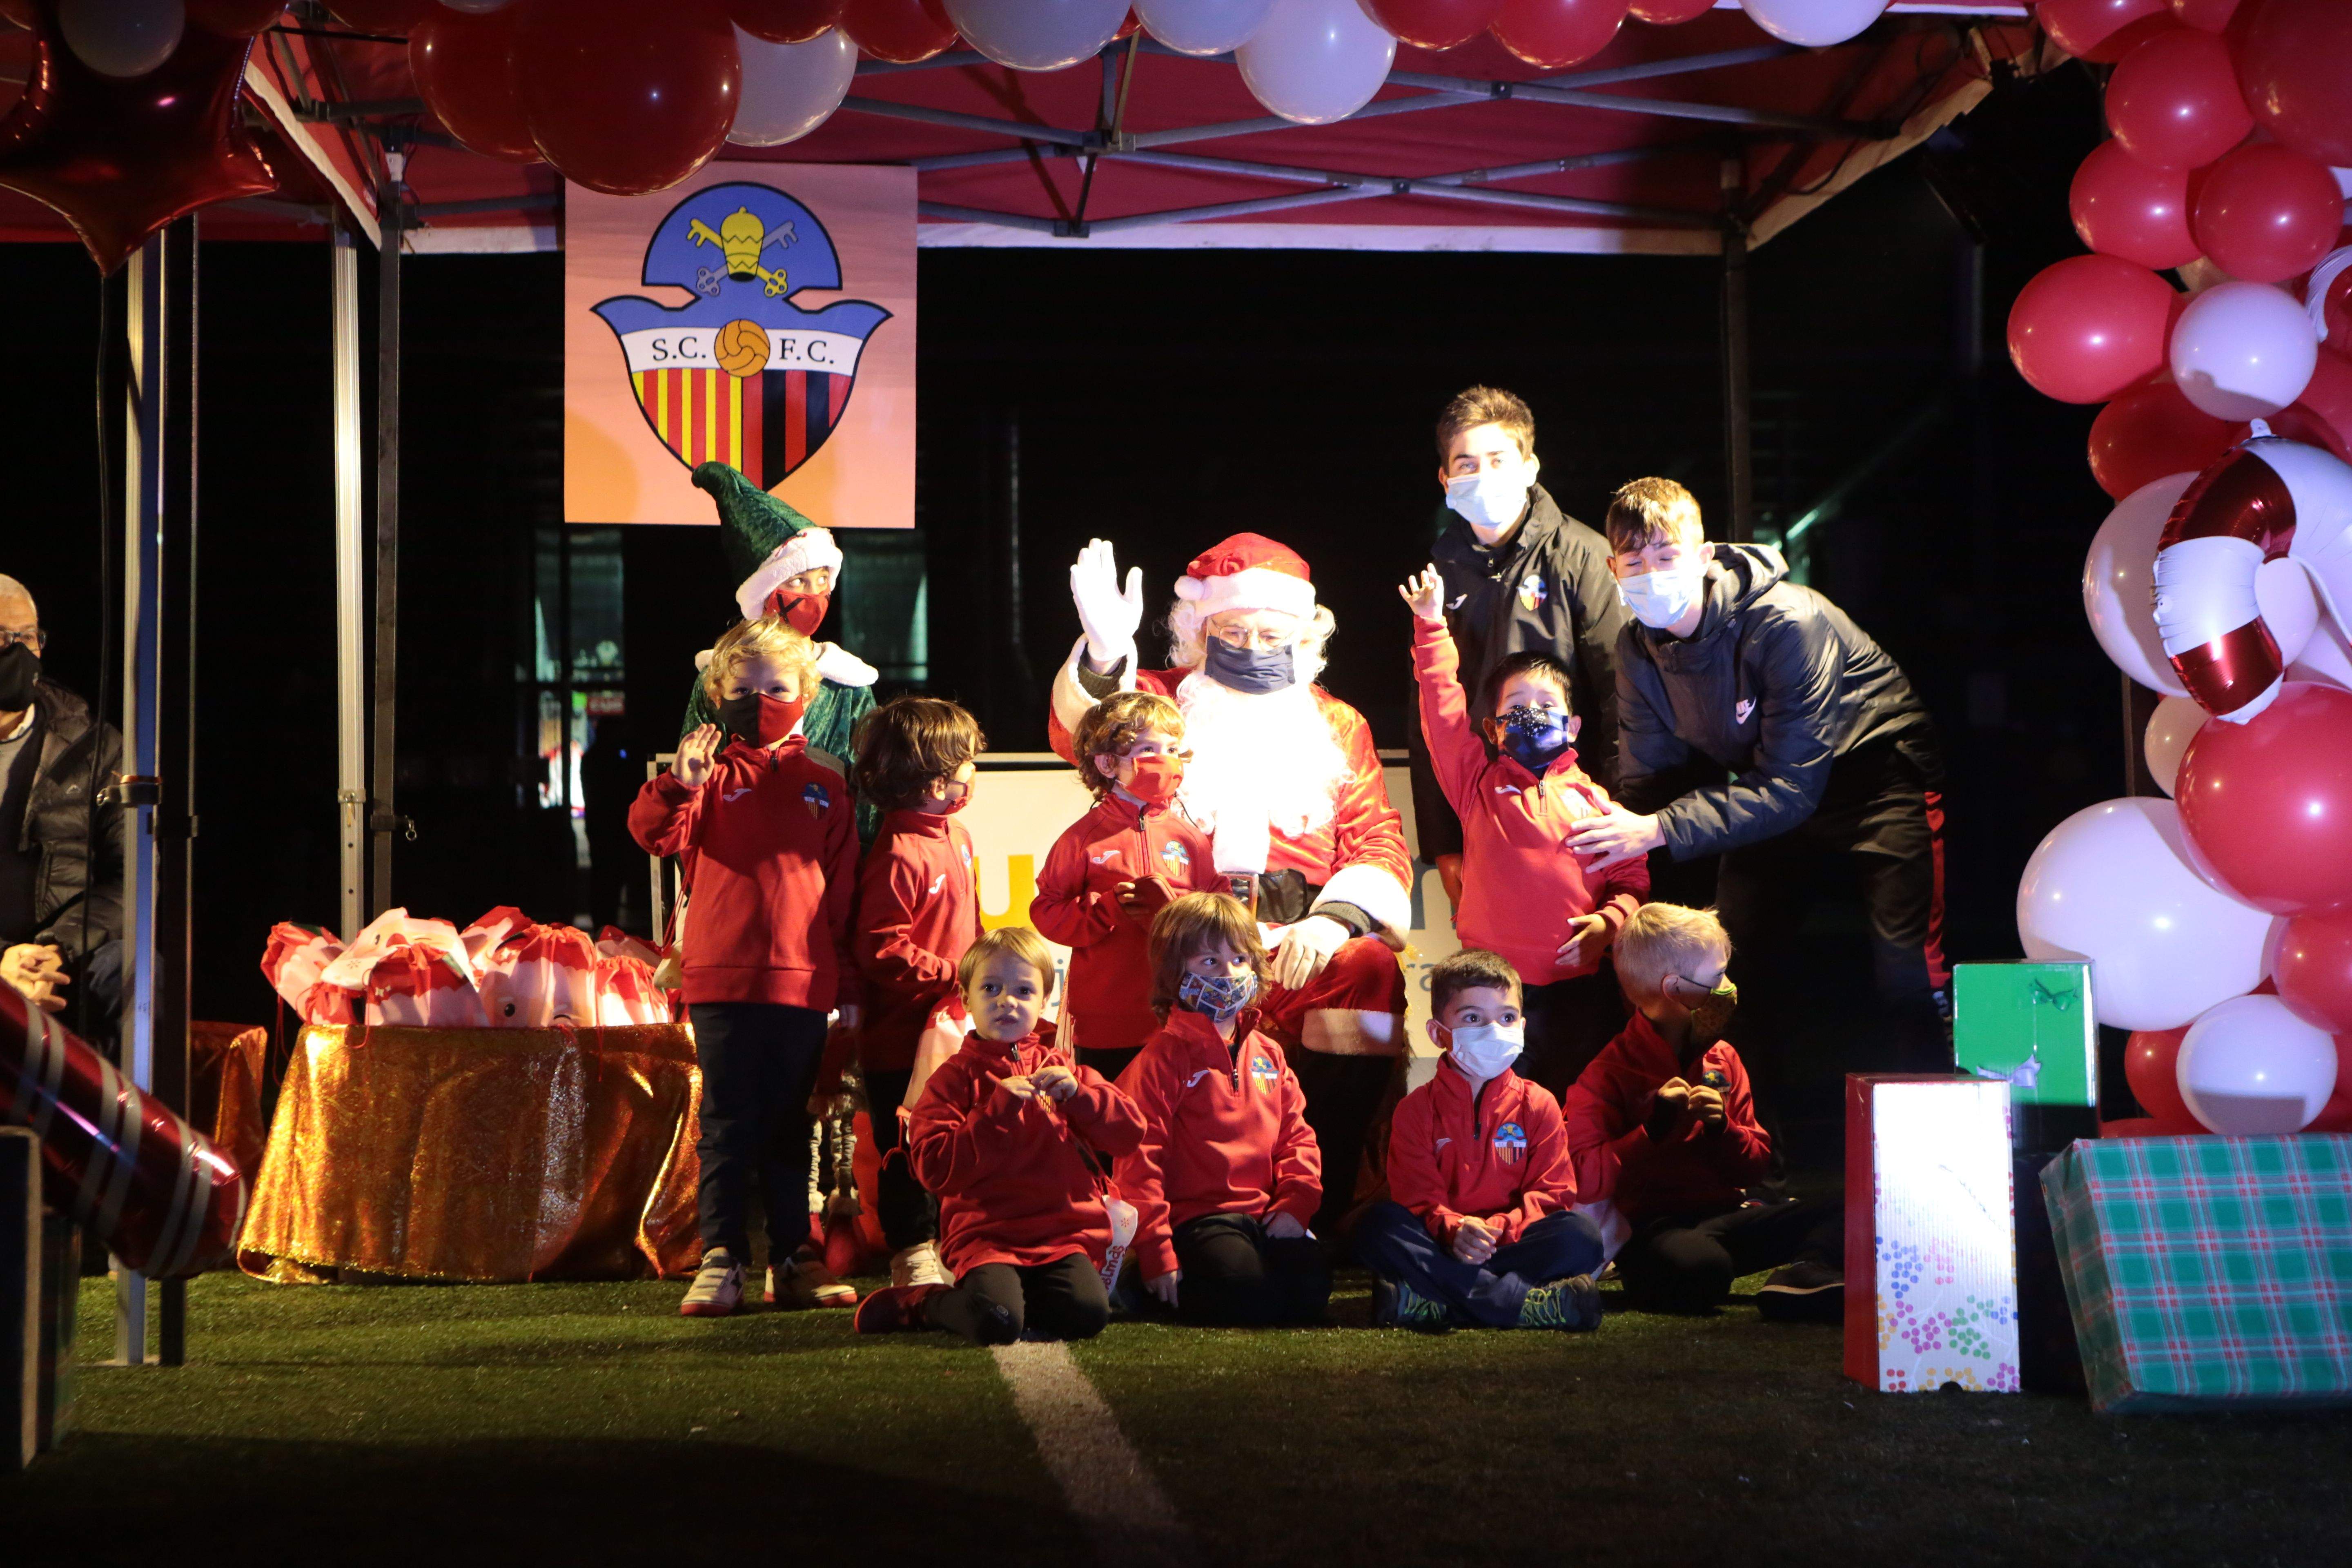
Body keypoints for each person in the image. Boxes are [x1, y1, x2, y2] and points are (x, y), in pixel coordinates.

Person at [1053, 532, 1410, 1240]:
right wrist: (1101, 659)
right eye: (1234, 631)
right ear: (1198, 630)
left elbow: (1377, 839)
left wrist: (1333, 921)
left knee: (1370, 979)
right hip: (1189, 928)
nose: (1252, 646)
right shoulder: (1158, 701)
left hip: (1298, 938)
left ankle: (1323, 1206)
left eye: (1271, 632)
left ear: (1303, 636)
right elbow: (1081, 737)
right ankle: (1162, 1206)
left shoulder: (1338, 723)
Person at [1565, 477, 1949, 1087]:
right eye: (1634, 562)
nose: (1651, 574)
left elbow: (1792, 787)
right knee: (1722, 966)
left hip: (1874, 777)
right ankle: (1752, 1155)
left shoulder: (1786, 622)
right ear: (1613, 567)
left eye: (1666, 557)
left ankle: (1938, 1143)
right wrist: (1608, 866)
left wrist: (1658, 828)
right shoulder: (1637, 647)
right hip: (1765, 790)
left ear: (1703, 556)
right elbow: (1646, 784)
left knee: (1906, 970)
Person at [628, 614, 862, 1319]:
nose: (762, 699)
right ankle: (722, 1258)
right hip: (721, 979)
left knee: (792, 1125)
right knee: (728, 1126)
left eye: (779, 686)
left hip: (801, 981)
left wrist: (846, 984)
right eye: (745, 687)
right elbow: (655, 835)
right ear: (717, 691)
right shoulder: (704, 773)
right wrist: (678, 783)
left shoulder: (828, 779)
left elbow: (844, 892)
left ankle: (792, 1260)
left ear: (810, 694)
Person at [1399, 562, 1647, 1094]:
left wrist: (1609, 923)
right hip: (1489, 990)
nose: (1531, 716)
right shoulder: (1478, 786)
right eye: (1516, 709)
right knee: (1491, 1106)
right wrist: (1430, 628)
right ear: (1492, 728)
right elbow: (1443, 717)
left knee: (1579, 1104)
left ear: (1574, 725)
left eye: (1546, 707)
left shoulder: (1598, 804)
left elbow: (1632, 881)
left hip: (1577, 990)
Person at [856, 927, 1145, 1344]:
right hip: (986, 1238)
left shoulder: (1061, 1068)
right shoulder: (950, 1080)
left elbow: (1129, 1135)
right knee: (996, 1321)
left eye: (1024, 991)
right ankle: (921, 1302)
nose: (1006, 1001)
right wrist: (996, 1114)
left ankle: (1016, 1295)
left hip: (1061, 1237)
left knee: (1088, 1315)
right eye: (991, 988)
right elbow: (935, 1172)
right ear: (967, 998)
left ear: (1045, 1001)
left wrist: (1083, 1097)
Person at [1560, 903, 1842, 1320]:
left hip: (1726, 1217)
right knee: (1699, 1270)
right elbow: (1582, 1181)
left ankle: (1807, 1271)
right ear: (1676, 989)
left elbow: (1753, 1168)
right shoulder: (1606, 1074)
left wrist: (1722, 1129)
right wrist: (1649, 1133)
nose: (1728, 987)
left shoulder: (1723, 1056)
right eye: (1716, 977)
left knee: (1858, 1206)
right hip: (1655, 1229)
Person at [1412, 387, 1628, 917]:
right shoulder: (1440, 571)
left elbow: (1624, 700)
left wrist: (1620, 821)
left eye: (1497, 460)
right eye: (1466, 463)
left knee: (1584, 975)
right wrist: (1444, 841)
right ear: (1445, 478)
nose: (1481, 474)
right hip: (1483, 821)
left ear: (1530, 466)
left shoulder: (1585, 557)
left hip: (1579, 824)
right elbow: (1433, 710)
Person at [1356, 948, 1604, 1332]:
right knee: (1379, 1226)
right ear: (1439, 1034)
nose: (1494, 1031)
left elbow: (1552, 1194)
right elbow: (1418, 1198)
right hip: (1443, 1242)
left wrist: (1498, 1229)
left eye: (1506, 1018)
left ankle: (1432, 1300)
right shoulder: (1415, 1110)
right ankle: (1523, 1305)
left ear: (1522, 1026)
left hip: (1513, 1241)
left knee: (1580, 1237)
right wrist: (1455, 1229)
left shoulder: (1539, 1103)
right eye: (1473, 1018)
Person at [1116, 893, 1329, 1327]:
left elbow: (1297, 1139)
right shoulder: (1161, 1059)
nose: (1228, 974)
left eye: (1239, 960)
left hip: (1266, 1215)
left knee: (1312, 1292)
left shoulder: (1268, 1052)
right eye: (1209, 962)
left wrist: (1296, 1204)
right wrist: (1157, 1250)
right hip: (1197, 1221)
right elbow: (1139, 1162)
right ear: (1176, 974)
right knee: (1245, 1300)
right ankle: (1138, 1282)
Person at [849, 695, 987, 1292]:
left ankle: (955, 1239)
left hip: (953, 1032)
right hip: (900, 1041)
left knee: (958, 1136)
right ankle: (910, 1250)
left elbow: (971, 930)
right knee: (905, 1145)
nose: (974, 771)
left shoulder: (956, 835)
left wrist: (980, 974)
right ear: (935, 778)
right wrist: (957, 975)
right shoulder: (900, 851)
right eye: (966, 761)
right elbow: (881, 947)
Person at [1029, 690, 1220, 1083]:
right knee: (1107, 1122)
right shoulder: (1083, 839)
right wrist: (1105, 911)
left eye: (1172, 748)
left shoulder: (1191, 837)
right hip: (1106, 1020)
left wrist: (1185, 914)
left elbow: (1218, 906)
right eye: (1148, 748)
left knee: (1173, 1127)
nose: (1165, 759)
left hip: (1183, 1013)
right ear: (1107, 763)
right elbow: (1047, 911)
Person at [678, 461, 879, 784]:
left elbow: (869, 785)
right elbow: (695, 777)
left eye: (823, 578)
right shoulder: (721, 674)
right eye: (798, 581)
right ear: (763, 591)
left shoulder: (849, 685)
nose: (814, 593)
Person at [0, 574, 122, 1040]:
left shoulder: (96, 747)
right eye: (1, 638)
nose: (18, 652)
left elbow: (128, 879)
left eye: (27, 637)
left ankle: (128, 1113)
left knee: (133, 969)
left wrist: (54, 948)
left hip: (63, 957)